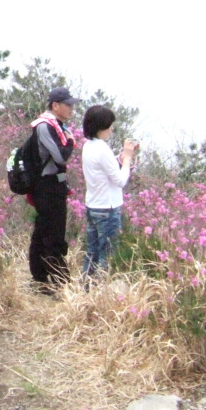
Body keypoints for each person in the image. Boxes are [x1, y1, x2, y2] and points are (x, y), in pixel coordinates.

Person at [26, 87, 79, 294]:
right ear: (55, 105)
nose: (71, 108)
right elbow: (60, 156)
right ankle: (59, 281)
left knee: (43, 230)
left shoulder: (56, 125)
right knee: (52, 233)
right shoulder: (45, 126)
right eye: (68, 104)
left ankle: (41, 277)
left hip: (51, 185)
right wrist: (71, 141)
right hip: (47, 186)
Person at [81, 105, 138, 282]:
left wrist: (120, 158)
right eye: (110, 126)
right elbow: (120, 181)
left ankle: (85, 288)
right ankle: (101, 292)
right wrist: (127, 159)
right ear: (101, 127)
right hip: (108, 208)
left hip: (93, 206)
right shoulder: (102, 148)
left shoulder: (88, 146)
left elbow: (105, 168)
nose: (111, 129)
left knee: (92, 251)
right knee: (107, 254)